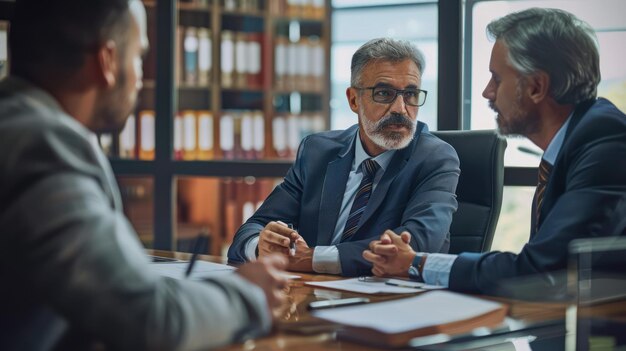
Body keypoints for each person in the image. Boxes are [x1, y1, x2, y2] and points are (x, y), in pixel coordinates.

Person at [0, 1, 288, 350]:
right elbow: (149, 321)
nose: (140, 77)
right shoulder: (42, 146)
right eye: (138, 57)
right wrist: (248, 295)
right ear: (106, 62)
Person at [364, 8, 626, 296]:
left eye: (497, 79)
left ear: (537, 87)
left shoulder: (605, 141)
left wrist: (417, 263)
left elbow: (541, 271)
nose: (487, 92)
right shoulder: (578, 140)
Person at [228, 38, 460, 277]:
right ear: (353, 100)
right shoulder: (317, 151)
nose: (400, 108)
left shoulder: (435, 158)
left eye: (410, 94)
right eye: (384, 93)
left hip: (390, 302)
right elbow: (252, 229)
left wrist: (313, 259)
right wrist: (261, 247)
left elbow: (418, 244)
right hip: (309, 297)